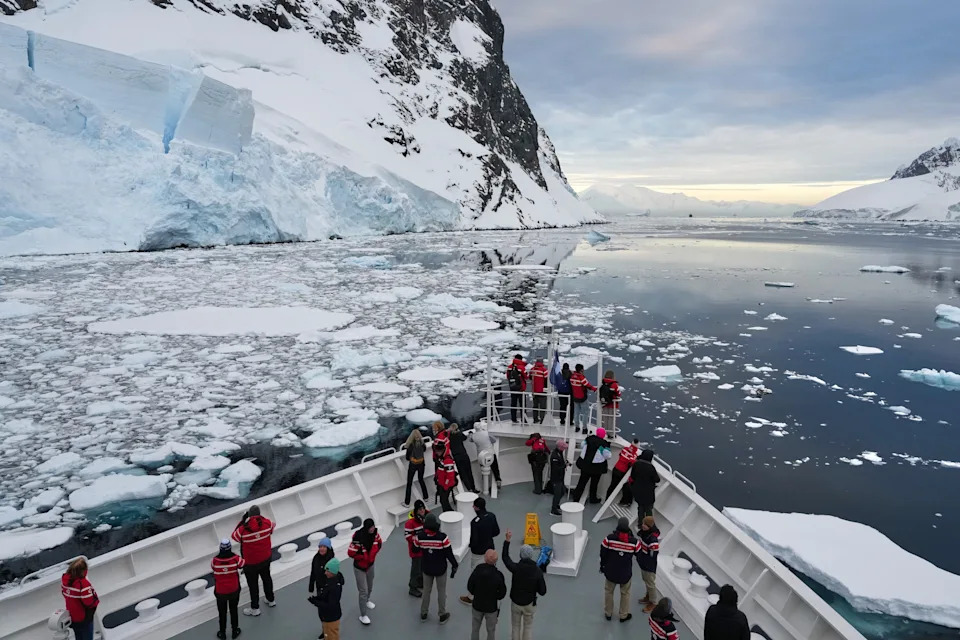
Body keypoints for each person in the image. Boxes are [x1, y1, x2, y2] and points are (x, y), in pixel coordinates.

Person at [501, 530, 547, 640]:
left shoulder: (516, 568)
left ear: (520, 555)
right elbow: (542, 591)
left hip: (516, 602)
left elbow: (505, 558)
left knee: (515, 627)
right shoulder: (537, 571)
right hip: (529, 603)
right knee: (528, 627)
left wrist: (507, 541)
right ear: (531, 555)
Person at [231, 505, 276, 616]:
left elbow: (234, 536)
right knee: (267, 579)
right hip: (265, 559)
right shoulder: (267, 524)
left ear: (249, 516)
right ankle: (271, 600)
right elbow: (272, 526)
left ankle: (255, 608)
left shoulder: (243, 530)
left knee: (253, 585)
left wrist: (243, 521)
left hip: (250, 563)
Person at [415, 512, 459, 624]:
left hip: (427, 568)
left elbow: (415, 549)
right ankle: (442, 614)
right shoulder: (442, 538)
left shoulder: (420, 537)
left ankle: (423, 613)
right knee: (441, 592)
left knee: (426, 591)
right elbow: (449, 554)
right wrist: (455, 565)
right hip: (440, 569)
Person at [600, 517, 642, 623]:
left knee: (609, 592)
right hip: (625, 573)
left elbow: (603, 553)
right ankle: (623, 615)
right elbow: (639, 555)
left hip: (610, 571)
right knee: (625, 594)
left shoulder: (609, 539)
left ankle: (608, 613)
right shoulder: (634, 542)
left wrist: (602, 566)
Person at [461, 496, 500, 605]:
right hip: (490, 549)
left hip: (478, 552)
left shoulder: (475, 522)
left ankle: (471, 597)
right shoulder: (492, 516)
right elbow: (496, 532)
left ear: (477, 508)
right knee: (491, 572)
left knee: (475, 573)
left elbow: (474, 540)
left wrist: (471, 546)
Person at [347, 518, 382, 625]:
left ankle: (367, 601)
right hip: (360, 568)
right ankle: (363, 615)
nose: (372, 529)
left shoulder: (375, 535)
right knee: (363, 591)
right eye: (370, 527)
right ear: (366, 528)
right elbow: (350, 553)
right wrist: (363, 557)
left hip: (370, 566)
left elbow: (379, 543)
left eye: (373, 526)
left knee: (370, 586)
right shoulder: (358, 538)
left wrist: (372, 556)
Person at [467, 549, 507, 640]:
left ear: (485, 558)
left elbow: (470, 586)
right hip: (491, 608)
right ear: (496, 561)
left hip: (477, 605)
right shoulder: (498, 575)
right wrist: (495, 596)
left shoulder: (478, 570)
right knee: (491, 630)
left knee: (475, 629)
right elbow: (502, 593)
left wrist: (475, 593)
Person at [211, 539, 244, 639]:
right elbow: (242, 564)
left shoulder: (215, 561)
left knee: (222, 613)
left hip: (220, 592)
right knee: (234, 610)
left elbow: (213, 568)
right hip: (234, 590)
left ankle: (222, 633)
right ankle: (235, 630)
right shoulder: (235, 559)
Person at [61, 557, 99, 640]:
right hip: (84, 617)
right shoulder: (83, 584)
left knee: (78, 636)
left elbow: (64, 593)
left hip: (73, 616)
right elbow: (89, 602)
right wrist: (95, 601)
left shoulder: (65, 581)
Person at [571, 427, 611, 504]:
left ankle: (576, 497)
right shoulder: (604, 444)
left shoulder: (589, 439)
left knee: (582, 482)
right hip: (597, 468)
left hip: (585, 465)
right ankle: (593, 499)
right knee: (594, 484)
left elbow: (582, 445)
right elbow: (608, 456)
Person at [313, 558, 344, 640]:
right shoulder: (330, 582)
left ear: (332, 572)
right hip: (328, 616)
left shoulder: (334, 587)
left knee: (332, 635)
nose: (325, 573)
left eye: (327, 571)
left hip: (331, 617)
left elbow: (330, 605)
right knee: (328, 633)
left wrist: (316, 602)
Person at [404, 500, 427, 597]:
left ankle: (420, 582)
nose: (422, 511)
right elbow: (408, 536)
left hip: (424, 549)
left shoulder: (425, 519)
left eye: (423, 508)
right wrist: (419, 539)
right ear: (416, 510)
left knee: (422, 568)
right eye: (420, 509)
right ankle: (412, 587)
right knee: (416, 570)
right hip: (416, 551)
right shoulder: (410, 523)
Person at [638, 516, 661, 612]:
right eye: (643, 523)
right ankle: (648, 596)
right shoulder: (644, 534)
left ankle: (653, 602)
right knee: (646, 580)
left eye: (645, 524)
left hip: (649, 565)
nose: (643, 525)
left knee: (650, 583)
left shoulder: (652, 540)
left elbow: (653, 555)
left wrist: (646, 562)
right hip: (643, 562)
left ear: (650, 526)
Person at [606, 438, 639, 505]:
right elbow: (631, 463)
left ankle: (606, 499)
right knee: (618, 487)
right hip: (621, 472)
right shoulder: (634, 455)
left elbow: (620, 455)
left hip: (616, 468)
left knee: (612, 485)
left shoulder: (625, 449)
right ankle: (610, 501)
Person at [630, 449, 660, 521]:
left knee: (640, 507)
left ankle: (640, 523)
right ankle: (649, 525)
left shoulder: (636, 464)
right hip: (648, 493)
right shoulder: (651, 468)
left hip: (637, 490)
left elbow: (632, 476)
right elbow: (657, 479)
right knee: (648, 509)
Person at [469, 423, 502, 489]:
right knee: (495, 468)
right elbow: (494, 440)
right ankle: (498, 479)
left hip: (481, 456)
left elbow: (470, 440)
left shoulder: (473, 436)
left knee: (483, 471)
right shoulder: (486, 433)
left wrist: (470, 434)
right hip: (490, 453)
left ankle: (486, 485)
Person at [403, 428, 429, 507]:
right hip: (421, 463)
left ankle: (407, 502)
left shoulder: (411, 445)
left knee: (409, 483)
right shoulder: (422, 443)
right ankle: (426, 497)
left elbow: (407, 457)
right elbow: (424, 449)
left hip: (413, 465)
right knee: (421, 479)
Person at [449, 423, 478, 493]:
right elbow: (464, 438)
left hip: (456, 457)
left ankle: (469, 488)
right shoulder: (459, 434)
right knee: (469, 472)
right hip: (463, 454)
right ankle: (473, 487)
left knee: (463, 473)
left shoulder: (449, 437)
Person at [569, 364, 596, 432]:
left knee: (576, 412)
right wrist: (595, 389)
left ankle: (577, 427)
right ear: (581, 370)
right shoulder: (581, 377)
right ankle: (584, 428)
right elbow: (588, 385)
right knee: (585, 413)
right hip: (582, 398)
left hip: (575, 397)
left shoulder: (572, 377)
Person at [549, 439, 569, 515]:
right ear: (560, 447)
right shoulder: (555, 456)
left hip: (560, 477)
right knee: (557, 494)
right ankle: (553, 510)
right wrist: (565, 465)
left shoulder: (559, 453)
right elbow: (556, 468)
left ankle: (556, 504)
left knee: (562, 491)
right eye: (563, 447)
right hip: (556, 478)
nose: (564, 449)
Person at [506, 354, 528, 423]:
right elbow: (526, 377)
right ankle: (523, 419)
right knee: (522, 405)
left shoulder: (510, 367)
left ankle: (513, 419)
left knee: (513, 404)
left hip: (513, 388)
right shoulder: (521, 367)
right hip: (521, 389)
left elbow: (508, 376)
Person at [436, 447, 459, 512]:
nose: (437, 453)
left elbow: (450, 476)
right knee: (443, 500)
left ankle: (449, 512)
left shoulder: (447, 460)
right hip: (442, 484)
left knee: (444, 500)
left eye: (438, 451)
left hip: (446, 485)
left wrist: (446, 486)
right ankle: (448, 512)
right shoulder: (442, 459)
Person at [599, 370, 622, 434]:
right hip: (612, 404)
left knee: (605, 418)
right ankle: (611, 433)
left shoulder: (602, 383)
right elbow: (618, 393)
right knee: (611, 419)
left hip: (604, 404)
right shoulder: (614, 384)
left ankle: (604, 432)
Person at [530, 357, 549, 424]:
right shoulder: (544, 370)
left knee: (535, 406)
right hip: (542, 391)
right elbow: (546, 379)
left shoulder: (532, 369)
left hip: (534, 391)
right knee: (542, 406)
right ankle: (542, 420)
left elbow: (530, 377)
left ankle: (535, 419)